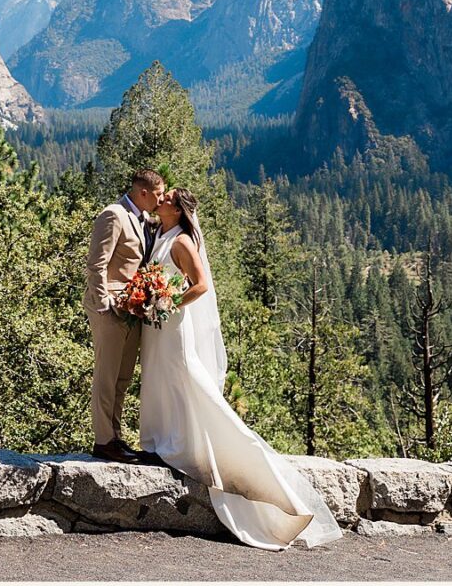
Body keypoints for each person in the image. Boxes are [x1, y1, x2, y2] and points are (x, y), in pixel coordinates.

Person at [138, 187, 342, 550]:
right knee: (160, 379)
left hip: (172, 324)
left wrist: (168, 301)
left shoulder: (182, 241)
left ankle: (223, 457)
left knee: (186, 381)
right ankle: (164, 438)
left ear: (179, 209)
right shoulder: (161, 233)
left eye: (167, 198)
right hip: (158, 326)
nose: (162, 199)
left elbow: (200, 285)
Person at [83, 168, 164, 464]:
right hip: (110, 310)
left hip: (131, 310)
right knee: (107, 375)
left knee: (122, 377)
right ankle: (103, 440)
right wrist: (104, 303)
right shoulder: (113, 215)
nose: (162, 198)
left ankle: (114, 437)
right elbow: (96, 263)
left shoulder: (142, 218)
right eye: (158, 193)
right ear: (143, 192)